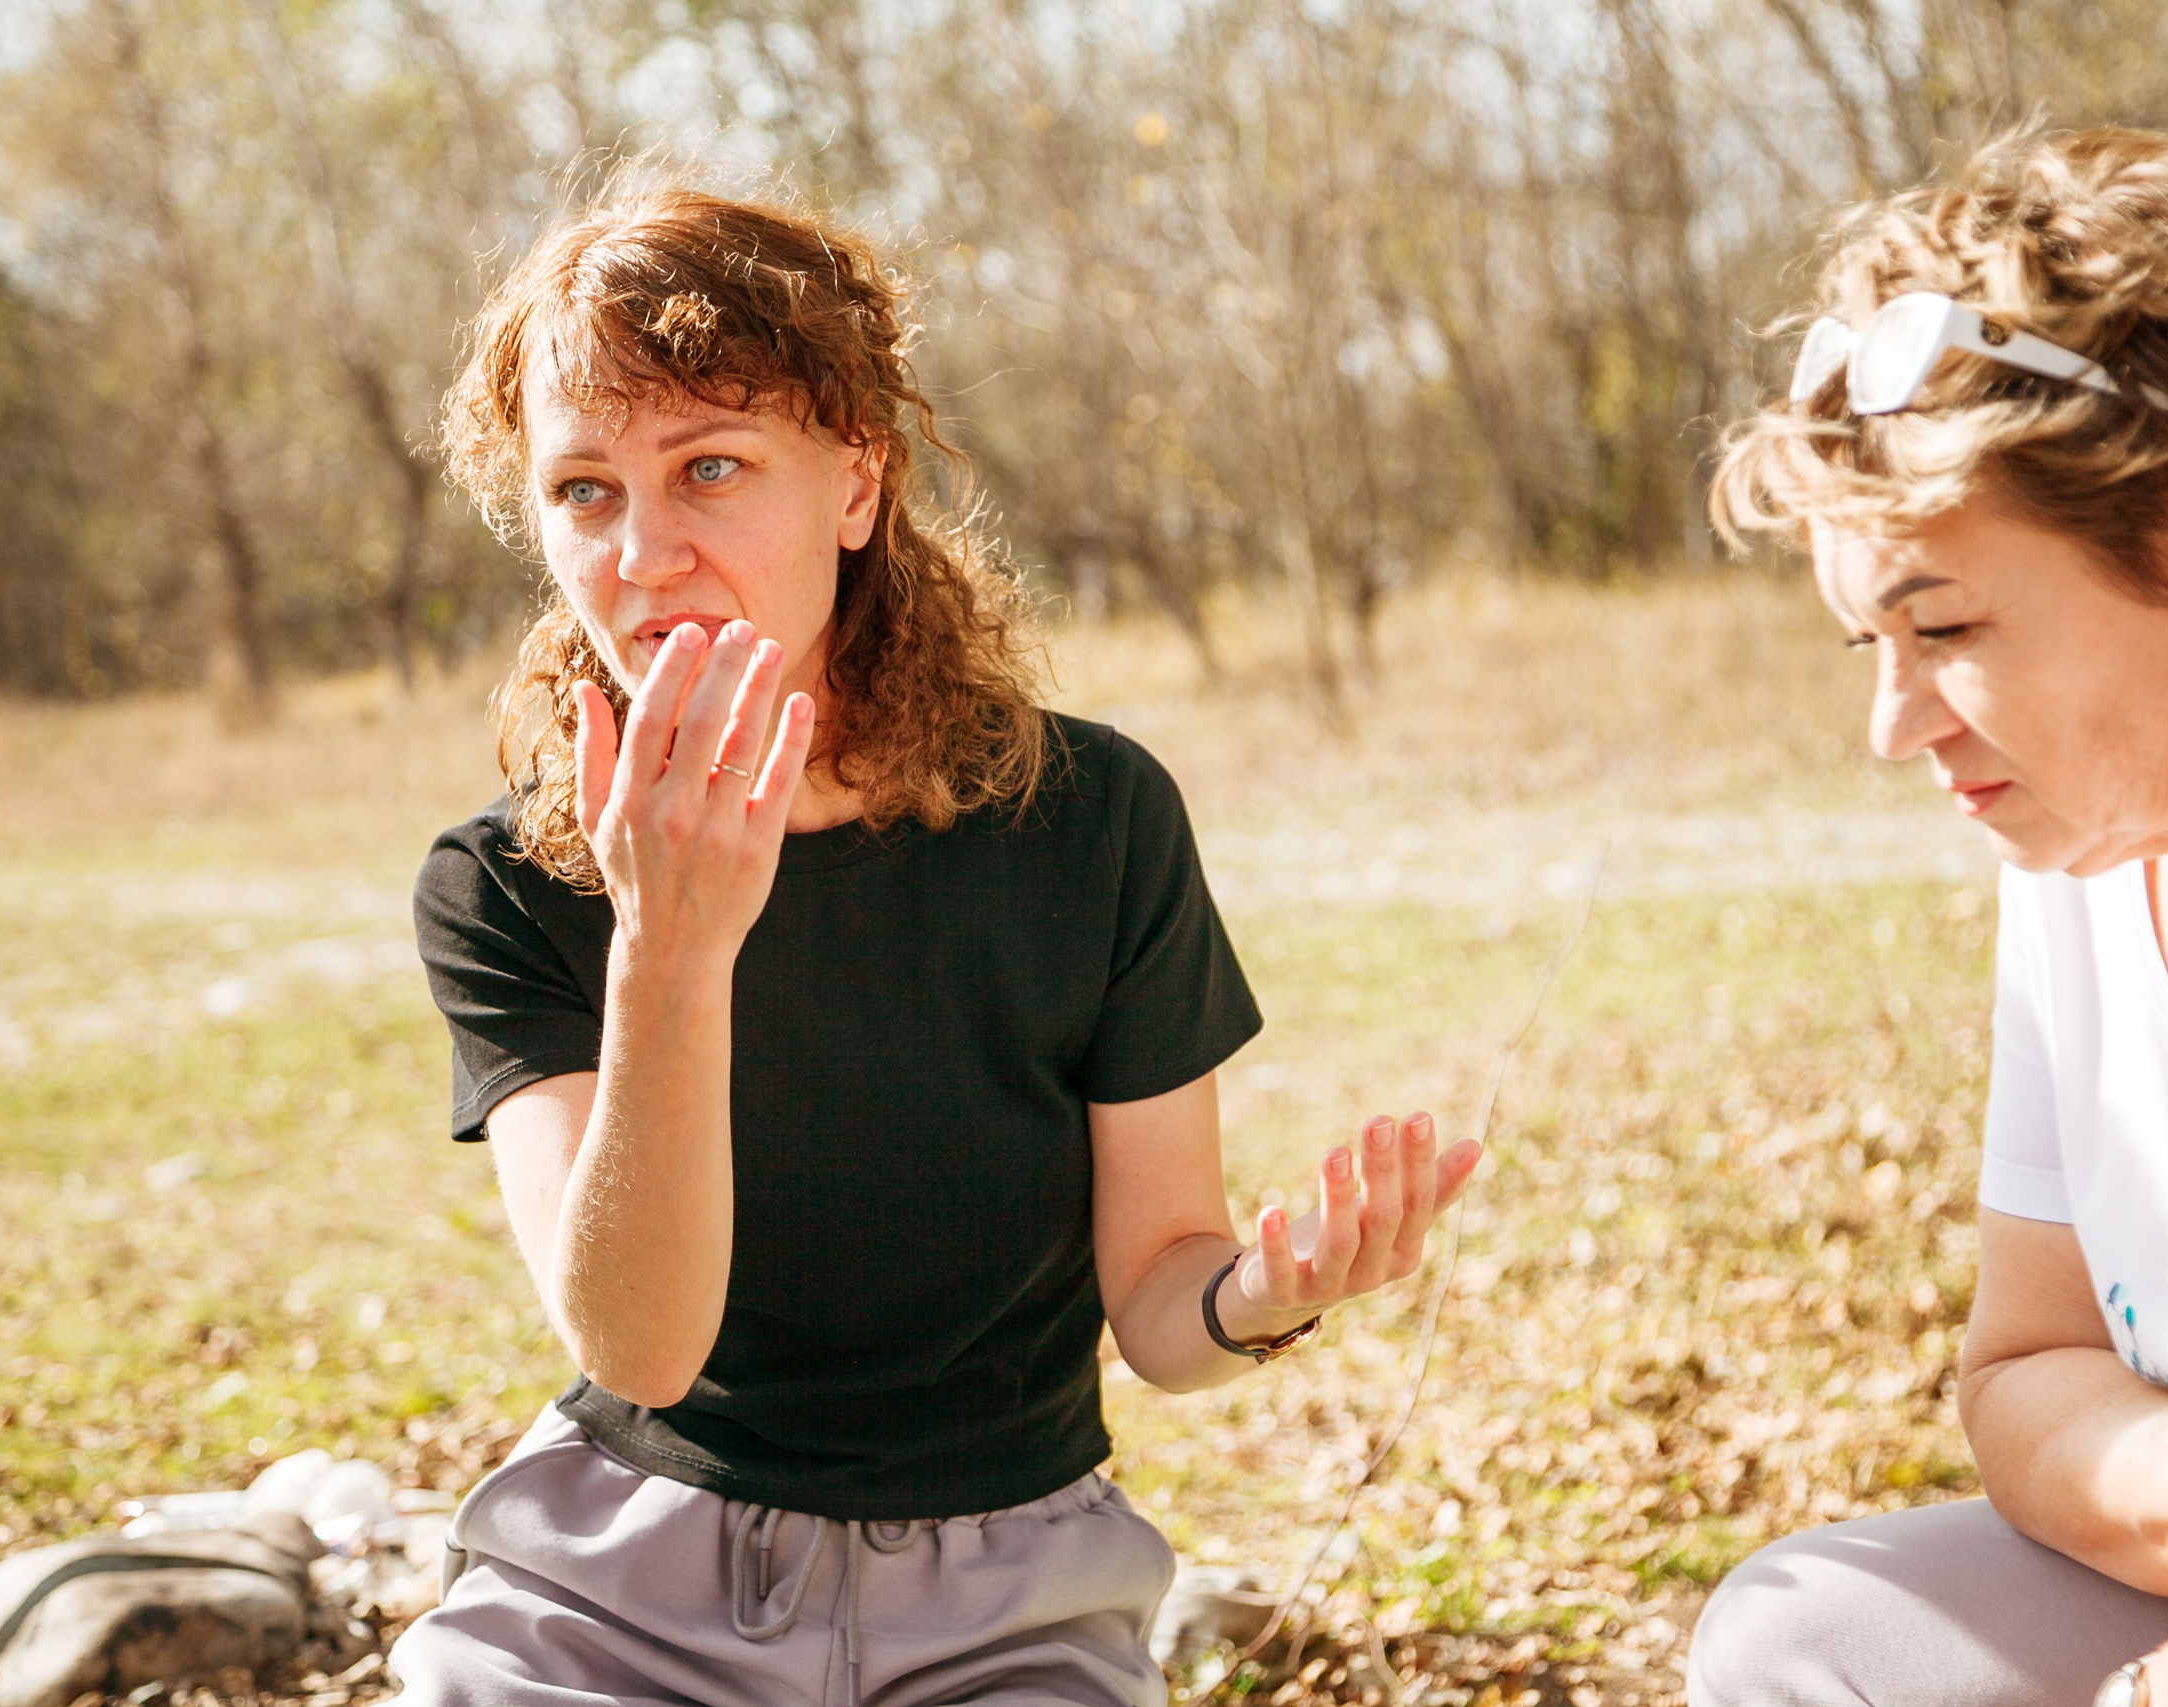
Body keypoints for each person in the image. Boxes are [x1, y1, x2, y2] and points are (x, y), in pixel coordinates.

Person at [391, 183, 1481, 1707]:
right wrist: (671, 948)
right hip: (620, 1593)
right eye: (584, 491)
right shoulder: (506, 883)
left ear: (856, 482)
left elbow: (1165, 1307)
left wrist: (1258, 1294)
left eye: (710, 467)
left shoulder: (1091, 818)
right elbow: (638, 1349)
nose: (642, 555)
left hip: (1012, 1602)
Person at [1686, 128, 2168, 1706]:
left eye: (1943, 624)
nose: (1895, 727)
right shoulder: (2091, 837)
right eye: (1861, 644)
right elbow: (2024, 1372)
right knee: (1798, 1638)